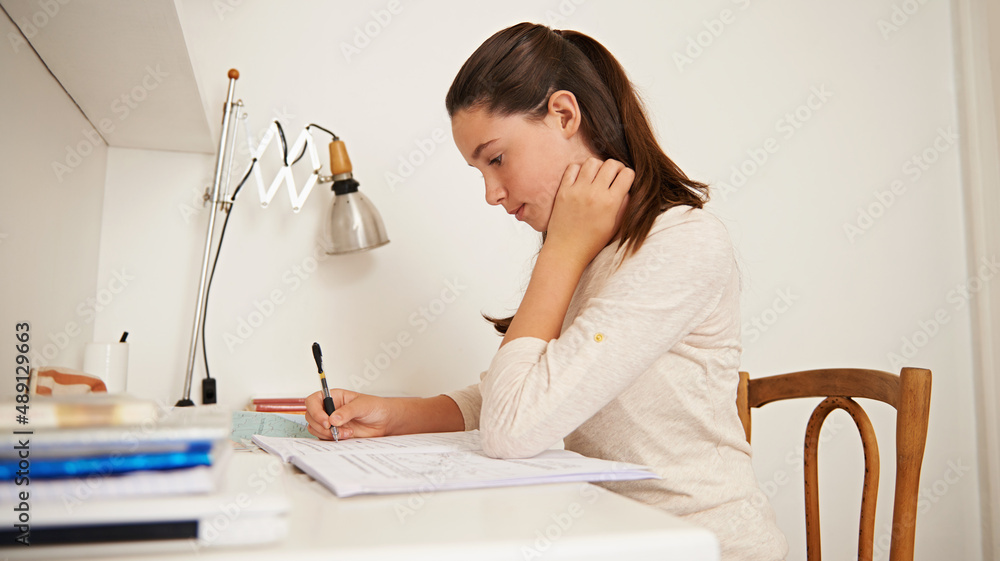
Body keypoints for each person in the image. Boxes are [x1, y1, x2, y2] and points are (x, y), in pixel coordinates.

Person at [305, 22, 788, 561]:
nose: (491, 193)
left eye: (496, 158)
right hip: (613, 534)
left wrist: (562, 249)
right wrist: (396, 416)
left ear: (564, 114)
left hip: (702, 545)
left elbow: (513, 426)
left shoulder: (682, 244)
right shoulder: (589, 247)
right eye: (478, 171)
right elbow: (518, 393)